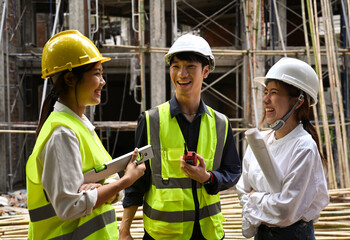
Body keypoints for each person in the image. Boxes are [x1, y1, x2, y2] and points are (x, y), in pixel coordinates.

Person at [119, 33, 241, 240]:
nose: (181, 74)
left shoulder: (220, 123)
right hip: (164, 234)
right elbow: (136, 180)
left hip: (208, 233)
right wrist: (124, 230)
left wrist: (208, 177)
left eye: (189, 67)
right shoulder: (151, 121)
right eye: (175, 66)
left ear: (205, 71)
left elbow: (232, 171)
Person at [26, 30, 146, 240]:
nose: (103, 82)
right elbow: (69, 207)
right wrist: (125, 181)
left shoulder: (79, 126)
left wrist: (104, 188)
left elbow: (105, 182)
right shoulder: (62, 133)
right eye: (97, 73)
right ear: (71, 78)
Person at [236, 57, 329, 239]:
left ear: (299, 101)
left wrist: (255, 198)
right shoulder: (260, 141)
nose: (265, 99)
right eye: (265, 92)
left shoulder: (304, 147)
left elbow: (285, 210)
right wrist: (267, 201)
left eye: (274, 92)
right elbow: (242, 190)